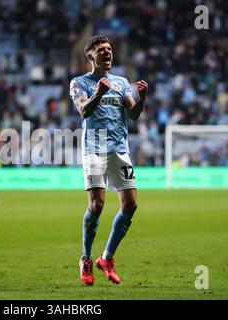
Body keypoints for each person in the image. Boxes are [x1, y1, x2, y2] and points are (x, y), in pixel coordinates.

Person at [69, 35, 148, 285]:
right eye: (102, 49)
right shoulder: (78, 83)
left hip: (119, 149)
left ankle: (107, 258)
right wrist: (98, 93)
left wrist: (142, 99)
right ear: (90, 56)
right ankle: (86, 258)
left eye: (110, 49)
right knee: (97, 206)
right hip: (94, 149)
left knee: (131, 205)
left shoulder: (121, 82)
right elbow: (84, 110)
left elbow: (133, 114)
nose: (108, 52)